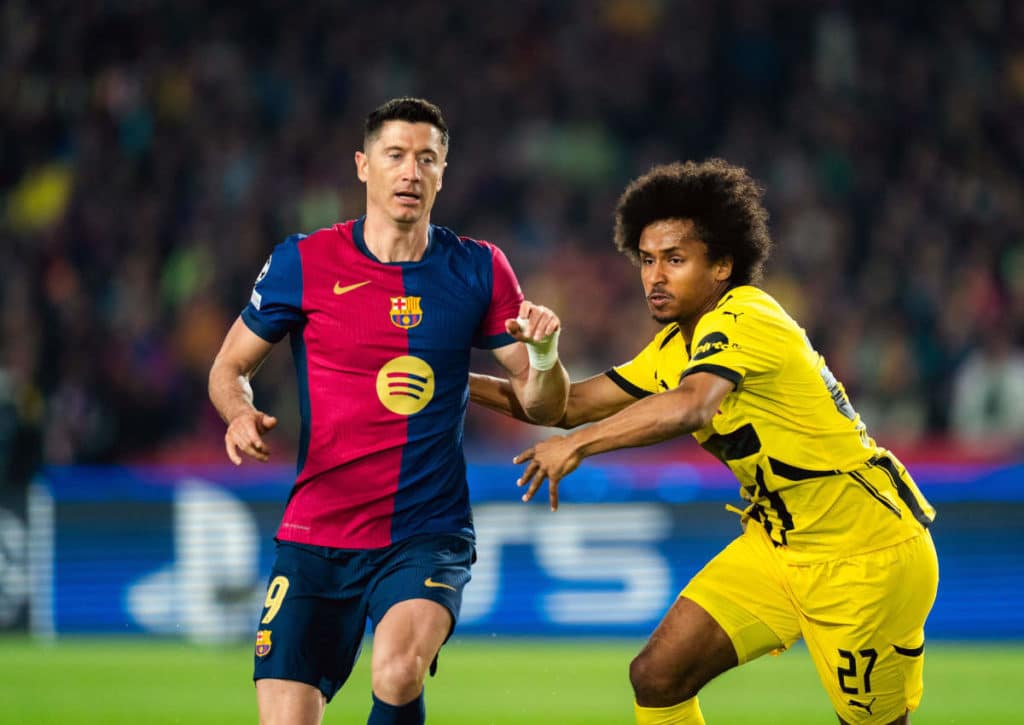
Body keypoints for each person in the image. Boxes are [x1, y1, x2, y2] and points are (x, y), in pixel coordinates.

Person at [470, 159, 938, 724]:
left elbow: (693, 404)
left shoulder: (746, 315)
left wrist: (581, 445)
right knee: (658, 676)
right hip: (778, 548)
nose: (655, 277)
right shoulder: (675, 346)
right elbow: (566, 406)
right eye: (647, 260)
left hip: (864, 555)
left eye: (675, 259)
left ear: (722, 265)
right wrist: (454, 380)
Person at [209, 97, 569, 725]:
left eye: (426, 159)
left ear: (443, 172)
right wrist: (239, 413)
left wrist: (543, 355)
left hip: (426, 532)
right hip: (317, 533)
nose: (410, 172)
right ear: (362, 165)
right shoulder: (304, 261)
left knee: (399, 670)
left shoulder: (479, 268)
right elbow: (228, 367)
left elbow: (544, 404)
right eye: (395, 155)